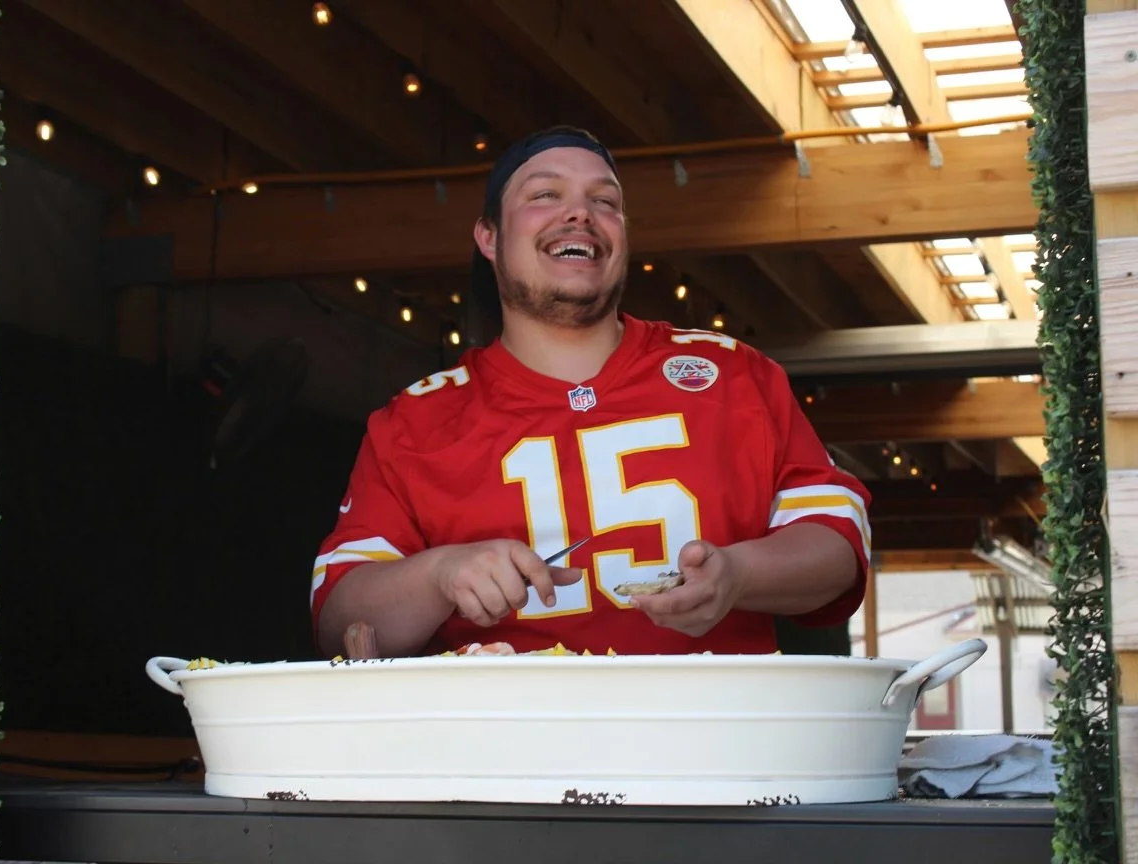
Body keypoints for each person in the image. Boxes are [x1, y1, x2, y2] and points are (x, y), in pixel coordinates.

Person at [309, 126, 871, 660]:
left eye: (605, 201)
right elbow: (340, 619)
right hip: (503, 751)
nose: (580, 213)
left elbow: (838, 546)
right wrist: (440, 575)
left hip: (714, 746)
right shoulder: (415, 421)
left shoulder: (731, 375)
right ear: (489, 236)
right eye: (545, 194)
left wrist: (739, 576)